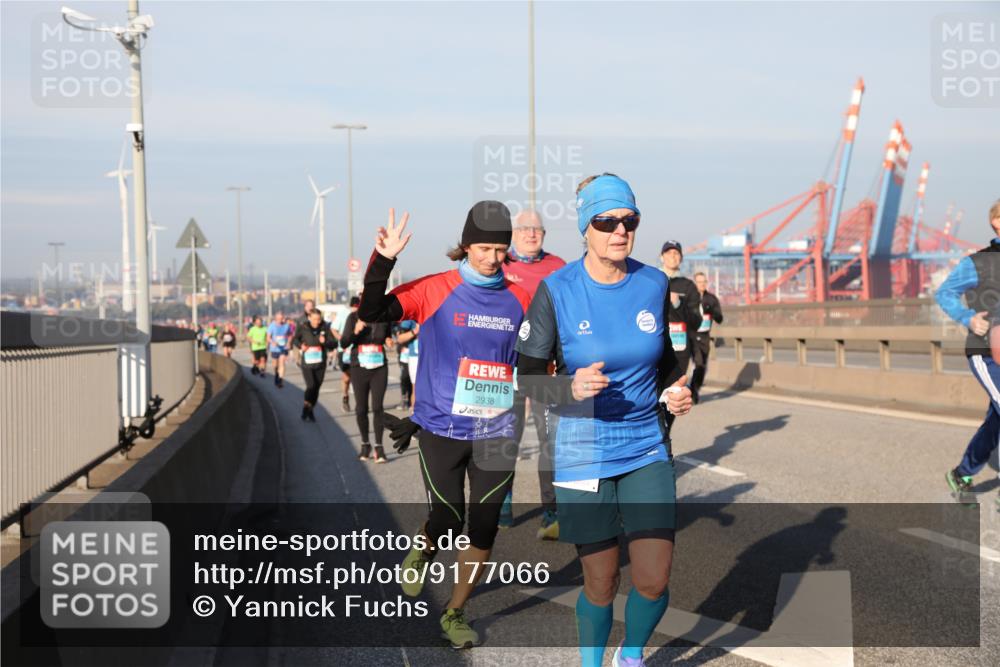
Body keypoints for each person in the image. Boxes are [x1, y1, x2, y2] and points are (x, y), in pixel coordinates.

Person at [516, 173, 693, 667]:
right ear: (585, 228)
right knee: (601, 581)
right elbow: (528, 378)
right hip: (582, 448)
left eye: (629, 221)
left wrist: (675, 392)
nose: (620, 230)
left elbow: (666, 363)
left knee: (653, 579)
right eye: (606, 221)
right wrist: (568, 389)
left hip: (644, 445)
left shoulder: (653, 283)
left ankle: (630, 656)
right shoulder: (557, 290)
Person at [361, 201, 531, 650]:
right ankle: (425, 545)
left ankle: (454, 611)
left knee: (485, 525)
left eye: (500, 249)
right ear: (466, 246)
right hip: (441, 427)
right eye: (483, 248)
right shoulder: (435, 289)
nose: (492, 258)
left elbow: (539, 360)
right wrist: (384, 260)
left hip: (497, 431)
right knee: (448, 516)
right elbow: (373, 312)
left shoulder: (520, 299)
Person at [501, 209, 567, 538]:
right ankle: (502, 502)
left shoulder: (558, 266)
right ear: (514, 233)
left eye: (537, 229)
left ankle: (551, 510)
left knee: (549, 440)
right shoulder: (500, 264)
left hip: (545, 368)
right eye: (524, 229)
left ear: (544, 234)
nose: (531, 234)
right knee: (505, 438)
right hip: (508, 367)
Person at [935, 198, 1000, 502]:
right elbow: (945, 293)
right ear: (997, 223)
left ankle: (962, 473)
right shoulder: (977, 263)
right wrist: (967, 318)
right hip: (987, 353)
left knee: (996, 421)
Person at [339, 301, 394, 463]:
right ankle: (365, 444)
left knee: (378, 407)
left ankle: (379, 447)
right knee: (361, 408)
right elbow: (344, 343)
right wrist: (355, 331)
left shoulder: (384, 318)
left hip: (379, 367)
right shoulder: (353, 318)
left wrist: (388, 340)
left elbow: (387, 335)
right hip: (359, 367)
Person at [659, 240, 702, 401]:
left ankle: (666, 418)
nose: (672, 256)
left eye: (676, 253)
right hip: (655, 344)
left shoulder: (688, 286)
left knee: (673, 395)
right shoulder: (652, 281)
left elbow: (697, 321)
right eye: (669, 252)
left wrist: (678, 304)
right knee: (653, 392)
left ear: (681, 258)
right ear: (661, 257)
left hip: (679, 349)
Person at [292, 307, 338, 422]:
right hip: (307, 363)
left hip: (320, 363)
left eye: (318, 319)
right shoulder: (303, 327)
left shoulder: (325, 327)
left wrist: (325, 342)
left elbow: (334, 344)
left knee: (317, 387)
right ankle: (306, 407)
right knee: (311, 385)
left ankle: (310, 408)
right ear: (309, 318)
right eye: (314, 319)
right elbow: (295, 340)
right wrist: (301, 346)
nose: (316, 322)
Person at [690, 272, 724, 399]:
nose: (702, 284)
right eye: (699, 282)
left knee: (703, 366)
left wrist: (713, 312)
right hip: (692, 336)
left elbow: (719, 319)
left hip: (705, 336)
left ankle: (694, 388)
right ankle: (693, 390)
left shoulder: (711, 299)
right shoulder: (689, 298)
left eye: (704, 282)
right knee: (698, 363)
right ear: (695, 283)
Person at [333, 297, 360, 412]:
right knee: (347, 377)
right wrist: (342, 339)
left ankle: (360, 403)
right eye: (354, 307)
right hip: (344, 350)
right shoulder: (343, 314)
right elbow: (334, 329)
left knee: (359, 376)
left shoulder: (362, 315)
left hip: (358, 350)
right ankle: (345, 397)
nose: (355, 310)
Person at [394, 320, 418, 410]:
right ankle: (405, 399)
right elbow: (399, 337)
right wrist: (415, 331)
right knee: (406, 377)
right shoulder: (409, 320)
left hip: (430, 356)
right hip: (411, 354)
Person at [266, 312, 293, 388]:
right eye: (278, 319)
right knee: (275, 365)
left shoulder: (286, 326)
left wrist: (288, 342)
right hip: (274, 348)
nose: (279, 320)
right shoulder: (272, 326)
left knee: (282, 363)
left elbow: (290, 335)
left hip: (283, 347)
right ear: (275, 319)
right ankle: (276, 374)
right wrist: (272, 342)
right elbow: (268, 337)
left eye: (281, 319)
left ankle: (280, 379)